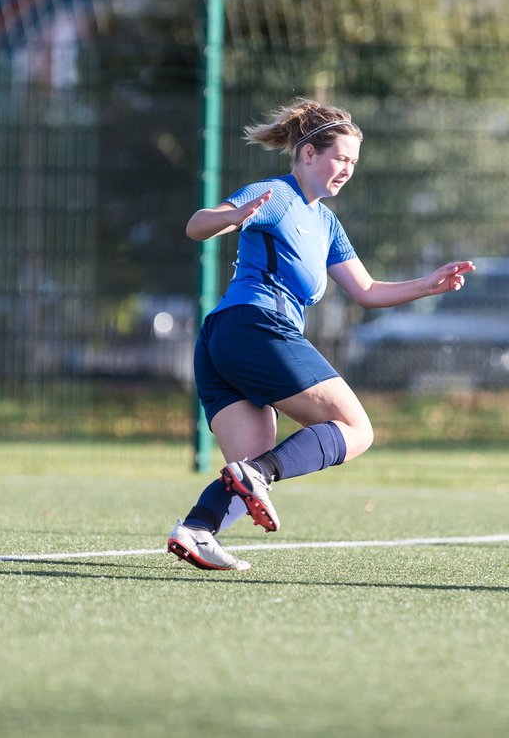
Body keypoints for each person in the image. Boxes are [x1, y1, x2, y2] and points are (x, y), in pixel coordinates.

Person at [165, 97, 475, 571]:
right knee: (356, 429)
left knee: (251, 462)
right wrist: (232, 216)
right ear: (309, 153)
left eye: (353, 161)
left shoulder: (326, 221)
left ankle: (197, 529)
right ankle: (257, 475)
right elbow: (195, 225)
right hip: (255, 327)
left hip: (222, 341)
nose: (348, 169)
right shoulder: (278, 195)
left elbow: (367, 291)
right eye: (341, 158)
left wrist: (427, 284)